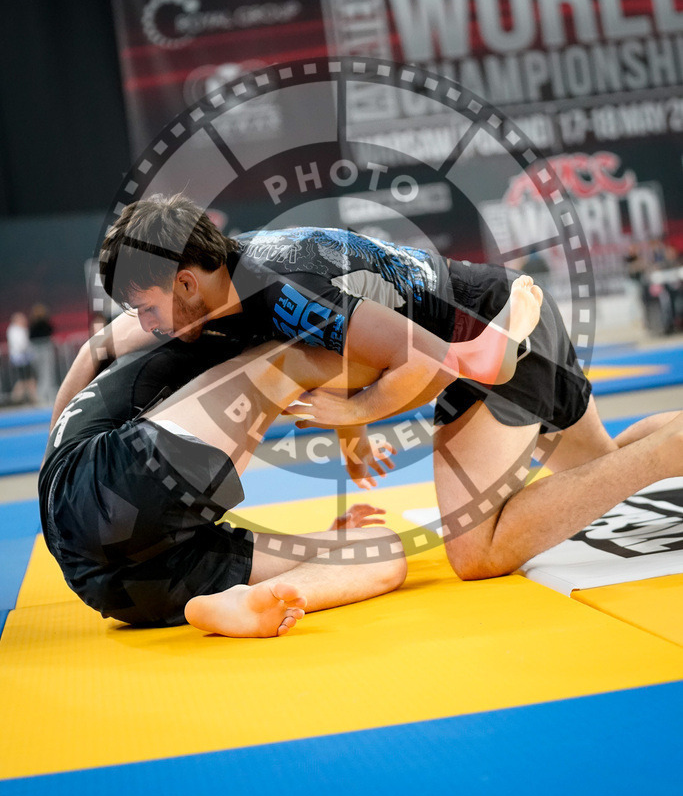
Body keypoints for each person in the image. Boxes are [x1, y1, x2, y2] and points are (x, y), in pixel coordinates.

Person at [52, 194, 681, 584]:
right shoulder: (227, 281)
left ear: (187, 281)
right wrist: (60, 454)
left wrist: (360, 410)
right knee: (604, 468)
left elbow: (434, 364)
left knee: (479, 552)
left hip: (487, 330)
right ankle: (664, 446)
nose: (149, 326)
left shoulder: (287, 294)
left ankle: (668, 450)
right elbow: (95, 350)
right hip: (484, 314)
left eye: (148, 308)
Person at [41, 330, 406, 637]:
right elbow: (337, 354)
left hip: (117, 583)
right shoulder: (188, 313)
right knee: (293, 360)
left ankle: (254, 600)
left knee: (383, 549)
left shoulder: (192, 332)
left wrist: (321, 547)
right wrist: (356, 441)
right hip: (103, 492)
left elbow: (93, 349)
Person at [28, 303, 57, 405]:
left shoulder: (33, 324)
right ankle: (43, 395)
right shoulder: (42, 323)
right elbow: (50, 331)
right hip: (43, 350)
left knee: (42, 374)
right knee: (45, 373)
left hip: (38, 351)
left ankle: (44, 395)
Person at [6, 311, 37, 404]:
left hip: (23, 358)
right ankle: (17, 399)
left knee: (27, 380)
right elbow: (21, 345)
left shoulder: (20, 329)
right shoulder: (15, 330)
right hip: (20, 359)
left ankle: (29, 398)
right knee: (25, 380)